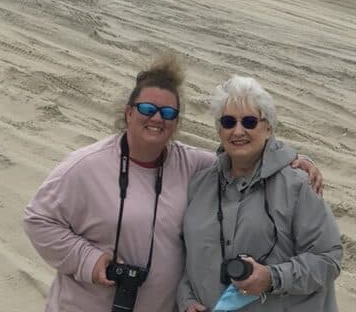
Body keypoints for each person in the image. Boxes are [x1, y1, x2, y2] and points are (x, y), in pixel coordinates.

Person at [23, 56, 322, 312]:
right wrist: (87, 260)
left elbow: (242, 153)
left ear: (176, 123)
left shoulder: (193, 165)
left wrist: (293, 159)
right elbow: (38, 219)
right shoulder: (85, 166)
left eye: (168, 113)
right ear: (128, 113)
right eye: (147, 109)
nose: (157, 118)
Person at [177, 75, 342, 312]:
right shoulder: (200, 185)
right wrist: (187, 301)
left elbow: (329, 259)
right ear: (218, 129)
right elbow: (187, 260)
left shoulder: (297, 185)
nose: (238, 130)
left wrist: (272, 277)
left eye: (250, 122)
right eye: (228, 121)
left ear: (268, 128)